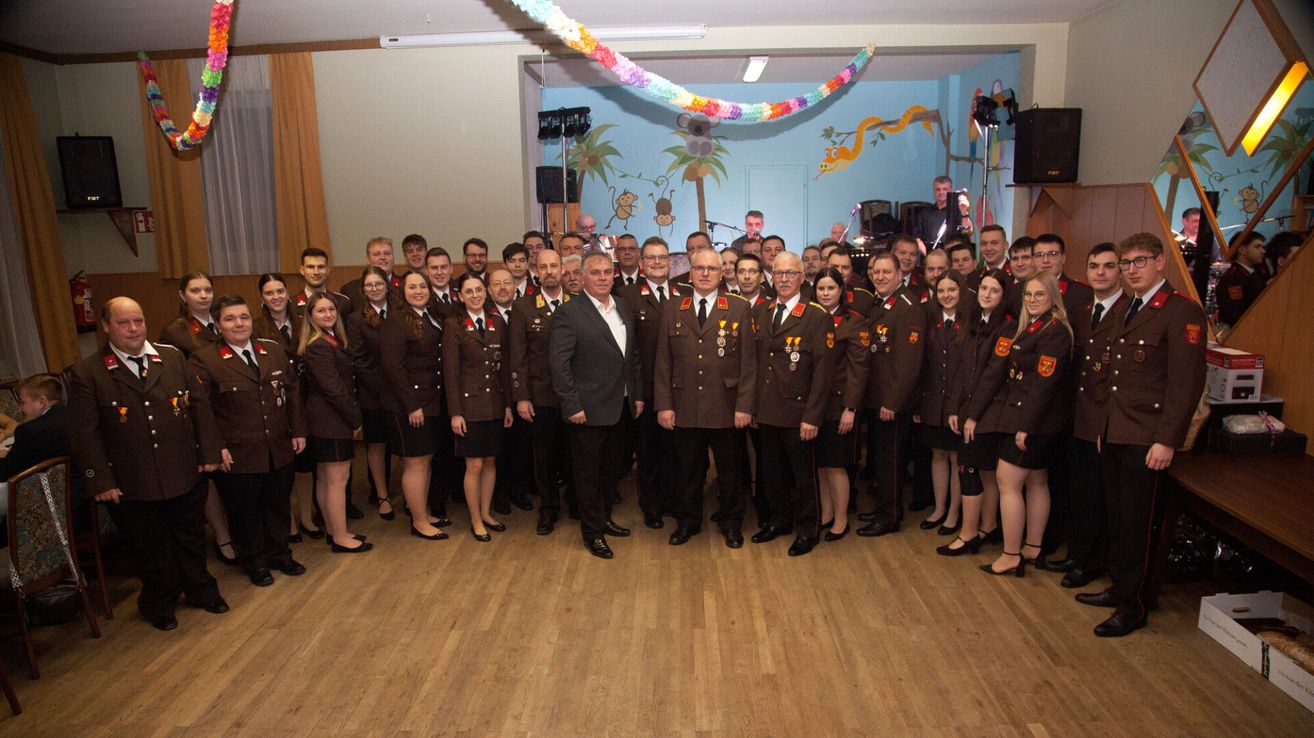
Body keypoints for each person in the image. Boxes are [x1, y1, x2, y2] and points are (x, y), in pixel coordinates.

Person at [68, 297, 228, 631]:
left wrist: (209, 454)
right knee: (150, 546)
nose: (132, 329)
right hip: (132, 479)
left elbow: (199, 408)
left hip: (183, 469)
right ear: (107, 326)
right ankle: (160, 601)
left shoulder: (170, 358)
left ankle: (200, 589)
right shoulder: (89, 373)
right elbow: (86, 435)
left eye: (137, 321)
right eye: (124, 323)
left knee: (190, 536)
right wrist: (100, 480)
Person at [1078, 232, 1206, 638]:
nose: (1132, 269)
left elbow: (1185, 385)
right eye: (1127, 262)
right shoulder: (1127, 307)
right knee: (1118, 519)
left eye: (1139, 261)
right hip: (1115, 430)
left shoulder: (1180, 312)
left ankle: (1134, 606)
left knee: (1138, 523)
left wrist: (1167, 439)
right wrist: (1101, 427)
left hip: (1147, 438)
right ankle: (1121, 588)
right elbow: (1111, 378)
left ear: (1160, 262)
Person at [188, 295, 307, 587]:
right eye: (230, 319)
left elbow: (292, 392)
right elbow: (201, 411)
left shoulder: (272, 350)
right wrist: (216, 447)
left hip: (278, 445)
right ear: (218, 325)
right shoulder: (205, 360)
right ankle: (255, 562)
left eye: (243, 317)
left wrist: (299, 430)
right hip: (239, 452)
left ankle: (280, 553)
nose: (238, 324)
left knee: (278, 504)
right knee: (246, 510)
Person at [963, 272, 1073, 577]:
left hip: (1033, 421)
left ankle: (1011, 554)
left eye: (1040, 294)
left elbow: (1044, 386)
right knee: (1037, 481)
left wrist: (1026, 426)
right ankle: (1033, 547)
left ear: (1053, 297)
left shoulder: (1054, 331)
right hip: (1033, 418)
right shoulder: (1035, 326)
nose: (1033, 300)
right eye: (1028, 295)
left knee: (1007, 482)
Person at [655, 248, 756, 548]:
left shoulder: (738, 308)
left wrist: (744, 406)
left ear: (722, 272)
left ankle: (731, 522)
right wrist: (664, 405)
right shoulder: (674, 307)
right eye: (699, 268)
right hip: (684, 405)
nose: (705, 273)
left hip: (726, 406)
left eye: (712, 268)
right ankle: (687, 522)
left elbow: (749, 364)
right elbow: (663, 361)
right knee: (687, 470)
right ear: (690, 271)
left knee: (730, 472)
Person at [549, 252, 642, 559]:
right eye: (596, 273)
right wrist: (572, 405)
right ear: (582, 277)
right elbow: (559, 365)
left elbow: (631, 357)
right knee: (587, 477)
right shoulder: (569, 313)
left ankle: (603, 519)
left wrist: (637, 394)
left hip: (620, 407)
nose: (603, 278)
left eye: (607, 272)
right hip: (586, 412)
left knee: (610, 473)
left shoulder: (622, 307)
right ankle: (592, 533)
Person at [750, 252, 833, 556]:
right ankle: (779, 520)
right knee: (771, 473)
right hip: (768, 410)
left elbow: (823, 374)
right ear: (771, 277)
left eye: (790, 273)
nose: (783, 279)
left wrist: (812, 416)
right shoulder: (762, 311)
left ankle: (808, 530)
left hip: (799, 413)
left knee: (803, 477)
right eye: (778, 273)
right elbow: (758, 364)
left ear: (801, 277)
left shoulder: (815, 315)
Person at [155, 271, 236, 565]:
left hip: (231, 408)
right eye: (195, 290)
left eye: (207, 290)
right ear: (182, 295)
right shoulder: (175, 332)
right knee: (211, 474)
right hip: (201, 410)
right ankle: (222, 535)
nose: (203, 296)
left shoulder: (224, 322)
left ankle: (237, 531)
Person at [1065, 243, 1127, 589]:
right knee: (1081, 494)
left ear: (1119, 271)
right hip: (1079, 417)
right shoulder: (1085, 309)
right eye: (1093, 266)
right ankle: (1078, 556)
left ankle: (1091, 564)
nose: (1100, 272)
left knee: (1102, 501)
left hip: (1106, 423)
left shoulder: (1127, 313)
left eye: (1108, 266)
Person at [938, 269, 1012, 556]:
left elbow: (993, 376)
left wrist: (973, 416)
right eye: (984, 289)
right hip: (970, 408)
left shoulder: (1005, 327)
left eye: (994, 290)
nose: (987, 295)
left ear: (1004, 296)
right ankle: (988, 527)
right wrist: (956, 408)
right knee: (985, 473)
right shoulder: (974, 322)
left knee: (969, 470)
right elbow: (962, 370)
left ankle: (969, 534)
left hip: (988, 413)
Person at [617, 237, 685, 529]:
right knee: (648, 452)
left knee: (676, 451)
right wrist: (636, 391)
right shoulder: (627, 296)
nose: (658, 263)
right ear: (642, 264)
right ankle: (652, 505)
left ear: (670, 262)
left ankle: (672, 499)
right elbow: (628, 349)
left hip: (680, 390)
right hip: (645, 389)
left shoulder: (683, 293)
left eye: (663, 258)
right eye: (652, 258)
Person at [858, 250, 927, 537]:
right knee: (882, 460)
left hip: (892, 402)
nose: (880, 277)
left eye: (887, 272)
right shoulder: (882, 303)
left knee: (891, 461)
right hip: (876, 399)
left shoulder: (908, 307)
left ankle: (890, 517)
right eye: (876, 272)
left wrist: (893, 402)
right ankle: (882, 508)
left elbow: (909, 363)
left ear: (900, 275)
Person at [380, 271, 451, 540]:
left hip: (430, 402)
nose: (419, 291)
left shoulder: (432, 315)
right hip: (408, 406)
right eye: (412, 287)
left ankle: (423, 512)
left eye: (423, 286)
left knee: (426, 459)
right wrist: (412, 405)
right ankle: (419, 521)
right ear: (402, 291)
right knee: (415, 462)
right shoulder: (396, 321)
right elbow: (393, 368)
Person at [445, 272, 514, 541]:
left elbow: (504, 369)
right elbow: (451, 372)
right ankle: (475, 519)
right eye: (468, 292)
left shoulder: (497, 321)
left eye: (478, 290)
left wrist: (508, 405)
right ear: (460, 296)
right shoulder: (454, 325)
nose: (475, 296)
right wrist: (455, 412)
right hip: (469, 407)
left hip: (495, 405)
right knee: (473, 465)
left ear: (485, 293)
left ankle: (486, 512)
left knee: (490, 462)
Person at [298, 293, 370, 553]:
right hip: (330, 419)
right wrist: (354, 418)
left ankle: (333, 529)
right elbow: (334, 389)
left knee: (327, 479)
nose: (328, 314)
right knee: (336, 480)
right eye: (321, 311)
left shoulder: (332, 339)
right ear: (310, 316)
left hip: (327, 418)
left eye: (331, 310)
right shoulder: (319, 345)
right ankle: (340, 537)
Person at [510, 248, 575, 535]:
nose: (549, 271)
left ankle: (576, 503)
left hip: (574, 396)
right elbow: (518, 356)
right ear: (535, 272)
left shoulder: (577, 302)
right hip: (541, 396)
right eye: (543, 267)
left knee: (575, 454)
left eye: (554, 266)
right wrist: (521, 396)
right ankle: (548, 509)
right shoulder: (524, 307)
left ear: (562, 269)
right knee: (545, 457)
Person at [811, 268, 870, 541]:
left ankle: (842, 519)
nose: (825, 293)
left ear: (841, 291)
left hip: (839, 405)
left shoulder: (853, 322)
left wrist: (851, 408)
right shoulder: (810, 318)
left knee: (836, 465)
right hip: (814, 406)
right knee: (820, 465)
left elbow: (859, 371)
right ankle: (826, 513)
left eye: (830, 289)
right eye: (821, 289)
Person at [918, 271, 968, 534]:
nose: (947, 295)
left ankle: (954, 512)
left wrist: (956, 407)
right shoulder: (930, 320)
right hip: (932, 401)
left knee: (955, 457)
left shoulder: (970, 322)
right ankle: (939, 508)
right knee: (937, 455)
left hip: (957, 405)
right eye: (941, 291)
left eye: (952, 290)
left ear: (962, 291)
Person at [345, 267, 395, 519]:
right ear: (363, 290)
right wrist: (385, 389)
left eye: (379, 283)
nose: (375, 288)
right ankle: (382, 495)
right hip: (373, 394)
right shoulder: (355, 320)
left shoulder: (399, 313)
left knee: (403, 446)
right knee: (376, 445)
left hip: (403, 394)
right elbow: (358, 360)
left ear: (387, 285)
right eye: (369, 285)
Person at [487, 268, 533, 514]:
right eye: (497, 284)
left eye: (507, 282)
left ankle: (518, 490)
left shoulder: (524, 311)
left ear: (515, 286)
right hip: (494, 393)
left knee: (521, 446)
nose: (503, 287)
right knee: (498, 448)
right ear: (489, 289)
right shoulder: (483, 316)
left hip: (521, 391)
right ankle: (499, 494)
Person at [0, 374, 70, 482]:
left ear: (41, 402)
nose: (19, 409)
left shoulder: (29, 431)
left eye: (23, 402)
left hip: (46, 494)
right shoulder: (75, 416)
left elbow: (5, 472)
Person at [1216, 231, 1267, 327]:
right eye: (1257, 247)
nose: (1263, 251)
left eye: (1263, 247)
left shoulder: (1253, 273)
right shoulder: (1233, 278)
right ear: (1241, 250)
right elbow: (1236, 313)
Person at [293, 247, 352, 326]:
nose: (316, 272)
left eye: (321, 267)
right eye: (310, 267)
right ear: (302, 270)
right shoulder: (291, 304)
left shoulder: (343, 302)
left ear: (327, 270)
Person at [341, 237, 401, 312]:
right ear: (368, 260)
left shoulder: (405, 285)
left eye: (387, 253)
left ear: (393, 257)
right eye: (377, 254)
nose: (382, 257)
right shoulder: (350, 290)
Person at [916, 176, 972, 246]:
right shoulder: (925, 213)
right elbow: (917, 238)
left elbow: (967, 233)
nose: (941, 192)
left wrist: (964, 211)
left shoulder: (958, 211)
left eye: (945, 189)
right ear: (934, 191)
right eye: (938, 189)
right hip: (930, 254)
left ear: (951, 190)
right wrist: (928, 254)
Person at [253, 273, 298, 354]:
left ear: (287, 294)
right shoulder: (255, 329)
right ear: (262, 299)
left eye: (280, 291)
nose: (276, 297)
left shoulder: (302, 321)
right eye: (269, 293)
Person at [826, 249, 875, 315]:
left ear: (851, 270)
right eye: (835, 267)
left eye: (845, 267)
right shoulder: (810, 295)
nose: (840, 271)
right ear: (826, 267)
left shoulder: (864, 299)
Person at [424, 246, 460, 318]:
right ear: (426, 271)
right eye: (434, 268)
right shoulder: (423, 297)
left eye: (444, 267)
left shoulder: (461, 292)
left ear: (451, 269)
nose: (439, 272)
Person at [892, 235, 929, 300]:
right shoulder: (881, 279)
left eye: (913, 254)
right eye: (903, 252)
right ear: (892, 254)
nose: (907, 257)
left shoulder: (924, 286)